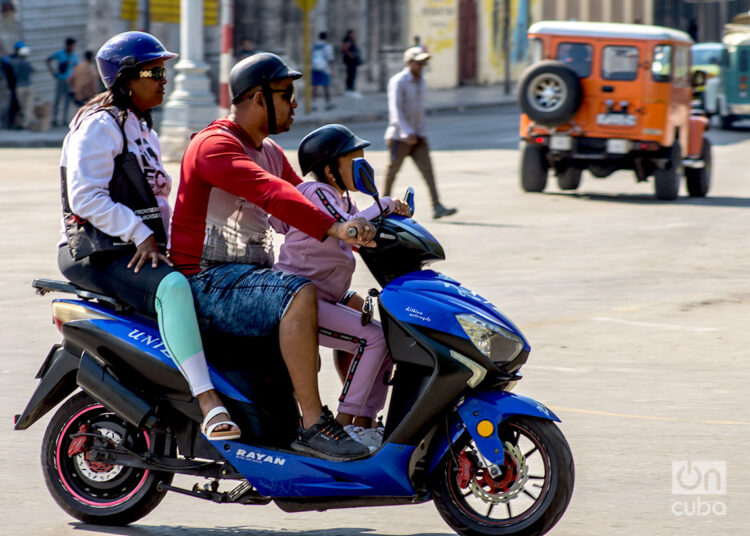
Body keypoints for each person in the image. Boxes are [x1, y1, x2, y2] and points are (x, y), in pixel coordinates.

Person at [170, 52, 376, 461]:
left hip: (246, 279)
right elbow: (272, 192)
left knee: (359, 309)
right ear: (257, 99)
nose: (295, 103)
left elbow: (309, 200)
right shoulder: (213, 145)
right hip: (209, 280)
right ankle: (315, 425)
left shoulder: (270, 151)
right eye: (286, 94)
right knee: (299, 293)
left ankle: (360, 424)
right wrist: (334, 227)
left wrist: (366, 220)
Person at [57, 31, 241, 442]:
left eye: (163, 71)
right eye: (153, 72)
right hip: (97, 251)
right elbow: (85, 197)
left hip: (139, 247)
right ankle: (208, 402)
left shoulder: (143, 130)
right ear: (125, 79)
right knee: (174, 288)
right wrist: (139, 233)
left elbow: (159, 203)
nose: (163, 80)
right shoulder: (99, 125)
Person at [271, 124, 411, 449]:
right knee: (373, 339)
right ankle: (343, 425)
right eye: (354, 159)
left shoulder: (341, 200)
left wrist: (389, 213)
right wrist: (385, 204)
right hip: (296, 299)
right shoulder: (315, 192)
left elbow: (357, 223)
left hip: (324, 297)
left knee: (386, 339)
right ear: (330, 168)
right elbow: (349, 228)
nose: (363, 165)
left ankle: (366, 423)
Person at [383, 46, 457, 220]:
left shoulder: (421, 81)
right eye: (419, 63)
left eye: (424, 63)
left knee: (428, 171)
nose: (422, 66)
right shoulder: (399, 81)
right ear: (409, 62)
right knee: (392, 172)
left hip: (418, 135)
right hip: (399, 137)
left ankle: (437, 205)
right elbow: (395, 111)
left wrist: (418, 132)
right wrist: (407, 132)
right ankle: (380, 207)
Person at [1, 41, 34, 129]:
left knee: (20, 106)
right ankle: (14, 124)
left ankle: (20, 124)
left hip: (18, 86)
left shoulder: (14, 60)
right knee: (16, 106)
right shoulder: (14, 59)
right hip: (14, 86)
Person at [47, 37, 78, 127]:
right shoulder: (60, 54)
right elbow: (48, 60)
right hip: (60, 80)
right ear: (68, 45)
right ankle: (54, 119)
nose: (72, 47)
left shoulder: (74, 56)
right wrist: (53, 73)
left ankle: (64, 120)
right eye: (71, 45)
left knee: (67, 101)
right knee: (57, 100)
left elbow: (75, 68)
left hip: (69, 81)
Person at [311, 32, 334, 111]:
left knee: (315, 87)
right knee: (326, 87)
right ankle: (328, 103)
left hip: (315, 68)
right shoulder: (327, 46)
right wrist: (331, 69)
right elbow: (330, 58)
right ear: (326, 37)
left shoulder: (314, 45)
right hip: (324, 69)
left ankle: (314, 104)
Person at [341, 29, 361, 98]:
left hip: (352, 61)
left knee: (352, 75)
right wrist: (351, 55)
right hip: (350, 61)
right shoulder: (347, 40)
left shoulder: (351, 40)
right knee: (350, 75)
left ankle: (351, 89)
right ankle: (349, 90)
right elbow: (345, 48)